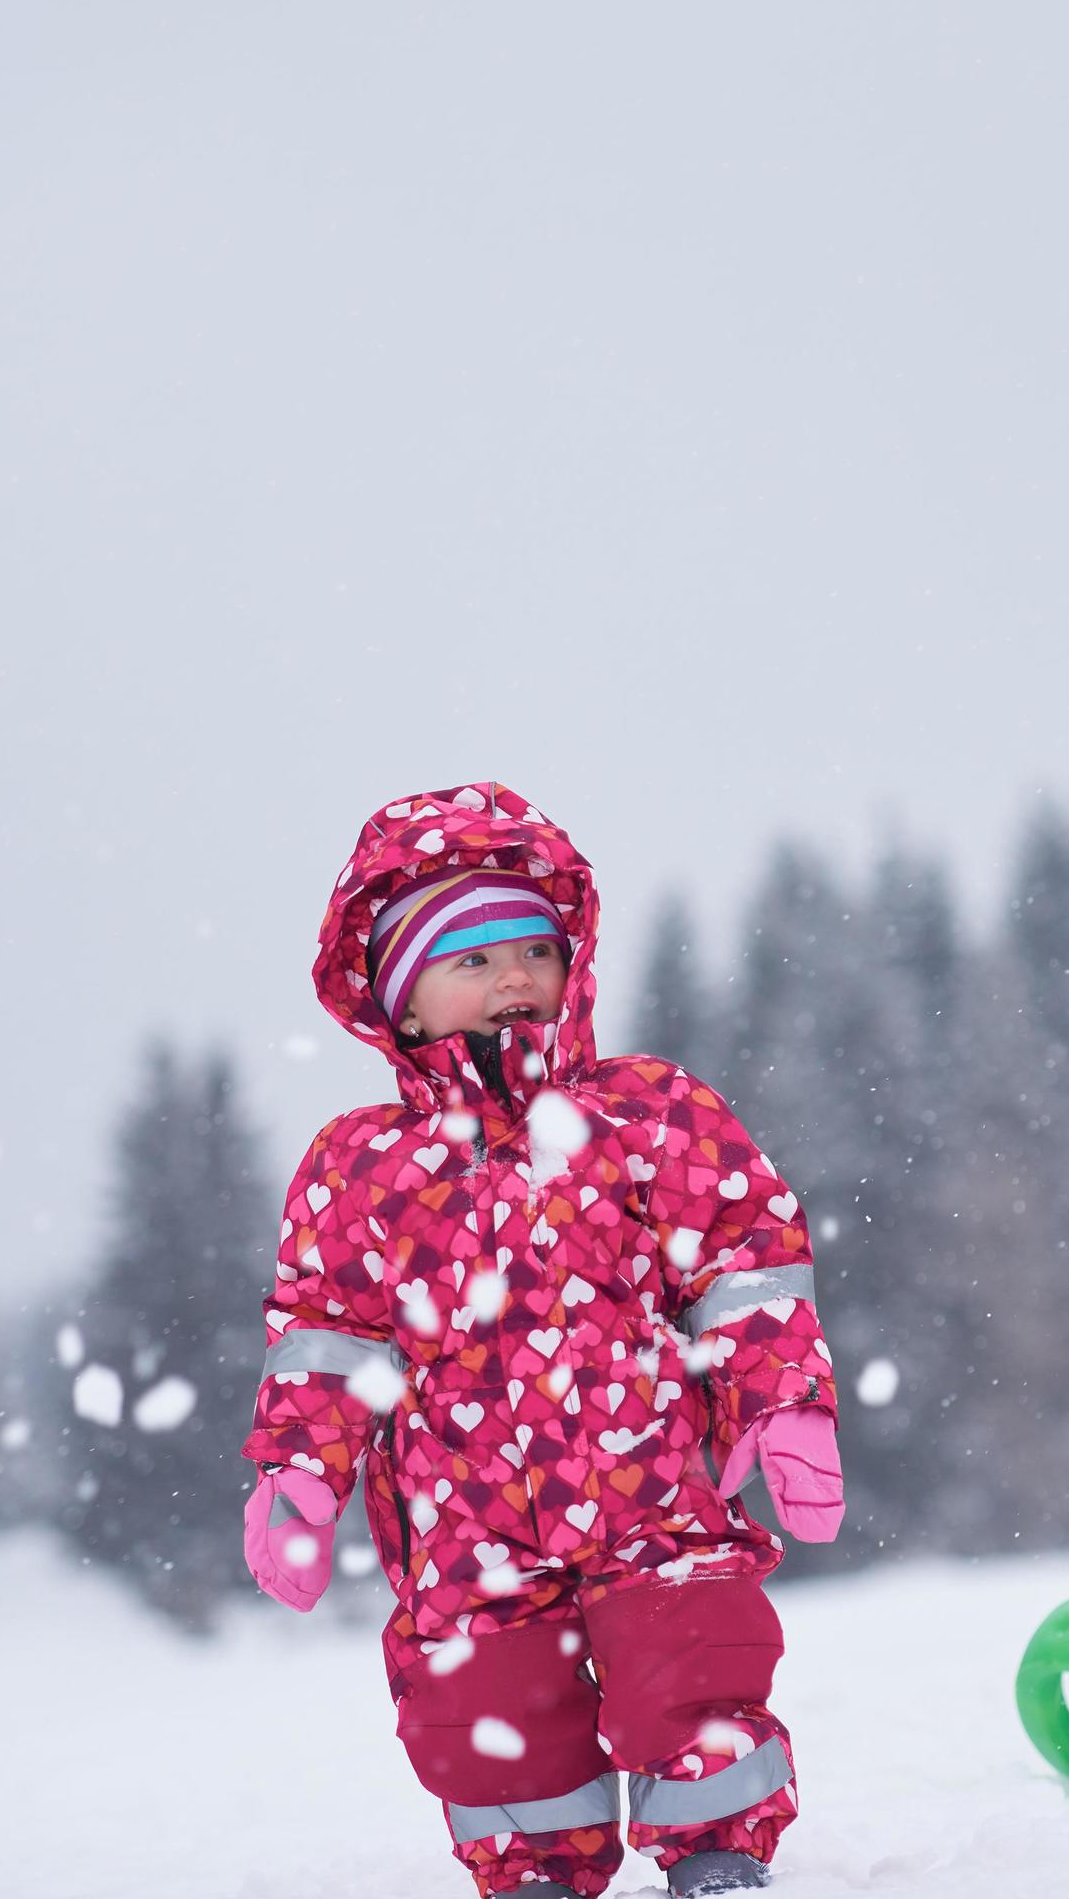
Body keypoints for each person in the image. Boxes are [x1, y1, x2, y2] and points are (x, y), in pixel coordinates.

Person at [239, 783, 845, 1899]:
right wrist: (298, 1476)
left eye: (533, 945)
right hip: (464, 1521)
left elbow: (744, 1262)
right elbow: (325, 1334)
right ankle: (530, 1870)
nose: (515, 975)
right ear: (400, 1005)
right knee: (485, 1709)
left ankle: (715, 1850)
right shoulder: (357, 1164)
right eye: (471, 959)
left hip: (648, 1483)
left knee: (691, 1660)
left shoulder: (645, 1110)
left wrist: (784, 1399)